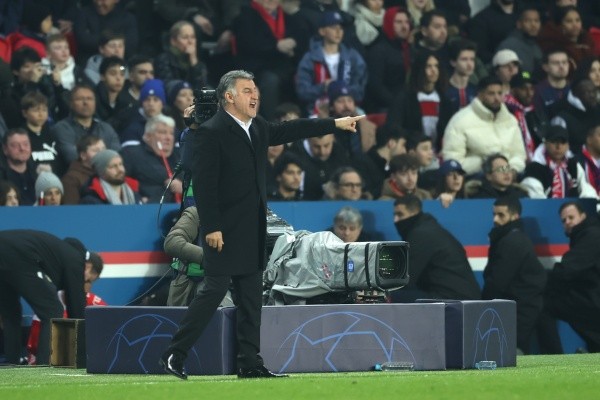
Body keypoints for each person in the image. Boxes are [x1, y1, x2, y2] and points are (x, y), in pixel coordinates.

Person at [159, 69, 363, 380]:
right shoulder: (211, 131)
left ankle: (250, 363)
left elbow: (291, 129)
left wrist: (333, 124)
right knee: (212, 293)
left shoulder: (258, 127)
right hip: (223, 231)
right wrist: (212, 226)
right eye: (247, 90)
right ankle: (175, 354)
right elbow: (203, 184)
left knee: (252, 301)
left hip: (252, 230)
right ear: (228, 96)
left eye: (256, 89)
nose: (255, 95)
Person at [0, 230, 103, 365]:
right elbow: (76, 305)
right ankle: (44, 365)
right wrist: (81, 348)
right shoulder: (76, 259)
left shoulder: (57, 253)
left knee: (11, 313)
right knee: (52, 311)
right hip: (19, 254)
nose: (85, 285)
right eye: (87, 281)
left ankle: (11, 363)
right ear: (88, 267)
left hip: (7, 250)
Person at [481, 196, 547, 354]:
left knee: (513, 353)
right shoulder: (508, 238)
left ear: (515, 216)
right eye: (494, 214)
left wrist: (481, 305)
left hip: (521, 308)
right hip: (519, 306)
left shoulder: (513, 241)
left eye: (501, 215)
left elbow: (497, 281)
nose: (495, 219)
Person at [391, 194, 481, 302]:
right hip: (463, 296)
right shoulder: (429, 228)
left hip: (453, 299)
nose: (395, 220)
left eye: (400, 214)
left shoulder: (421, 234)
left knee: (389, 296)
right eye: (395, 215)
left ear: (414, 212)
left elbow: (404, 279)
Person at [442, 76, 527, 176]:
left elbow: (519, 154)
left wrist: (507, 171)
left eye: (500, 93)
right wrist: (486, 165)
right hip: (478, 177)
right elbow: (453, 161)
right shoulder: (460, 120)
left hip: (510, 174)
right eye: (491, 94)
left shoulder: (510, 120)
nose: (497, 98)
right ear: (480, 95)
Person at [545, 201, 600, 352]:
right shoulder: (585, 235)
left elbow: (567, 270)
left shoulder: (591, 235)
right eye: (564, 220)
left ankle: (553, 355)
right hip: (591, 297)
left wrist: (543, 281)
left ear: (583, 216)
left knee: (545, 303)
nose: (568, 222)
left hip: (594, 300)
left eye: (571, 217)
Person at [164, 205, 234, 308]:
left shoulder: (246, 215)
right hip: (198, 283)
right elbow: (172, 242)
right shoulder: (196, 212)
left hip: (237, 285)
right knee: (219, 302)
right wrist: (210, 259)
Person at [50, 84, 121, 166]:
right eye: (80, 99)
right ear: (71, 103)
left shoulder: (106, 128)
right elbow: (73, 157)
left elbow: (117, 155)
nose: (85, 103)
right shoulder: (61, 128)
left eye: (90, 99)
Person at [521, 125, 598, 199]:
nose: (558, 147)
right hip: (544, 210)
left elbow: (586, 190)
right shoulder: (534, 168)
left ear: (568, 145)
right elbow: (536, 198)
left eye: (563, 142)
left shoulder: (573, 165)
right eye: (554, 141)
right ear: (545, 143)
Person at [120, 115, 181, 204]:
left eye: (171, 133)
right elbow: (121, 182)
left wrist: (185, 188)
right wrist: (139, 200)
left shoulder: (181, 156)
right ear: (148, 136)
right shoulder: (132, 155)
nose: (168, 138)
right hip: (148, 210)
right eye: (162, 133)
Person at [365, 6, 412, 113]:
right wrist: (397, 104)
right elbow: (375, 86)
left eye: (406, 22)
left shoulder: (410, 50)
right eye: (398, 22)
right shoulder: (378, 51)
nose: (404, 26)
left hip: (406, 106)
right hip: (384, 108)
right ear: (389, 23)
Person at [352, 123, 406, 198]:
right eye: (403, 145)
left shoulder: (392, 166)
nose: (404, 151)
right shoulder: (361, 163)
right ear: (391, 143)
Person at [505, 70, 548, 161]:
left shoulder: (536, 110)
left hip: (537, 159)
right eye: (524, 89)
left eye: (532, 88)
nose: (529, 93)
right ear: (513, 90)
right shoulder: (505, 111)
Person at [496, 6, 543, 75]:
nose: (533, 25)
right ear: (519, 24)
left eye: (536, 21)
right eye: (528, 21)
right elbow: (518, 74)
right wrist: (528, 78)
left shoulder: (536, 46)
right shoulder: (509, 45)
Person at [61, 136, 106, 205]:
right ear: (83, 155)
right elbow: (71, 210)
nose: (102, 154)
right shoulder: (71, 179)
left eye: (104, 149)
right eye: (96, 151)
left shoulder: (108, 174)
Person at [0, 128, 38, 205]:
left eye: (26, 144)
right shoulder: (2, 177)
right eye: (15, 145)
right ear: (5, 149)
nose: (22, 148)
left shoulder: (38, 174)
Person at [533, 49, 570, 119]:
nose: (561, 66)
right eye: (556, 63)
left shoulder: (575, 88)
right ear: (545, 67)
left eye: (564, 62)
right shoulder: (537, 91)